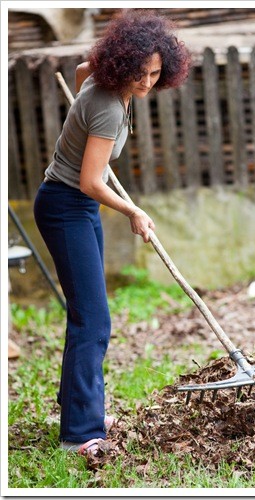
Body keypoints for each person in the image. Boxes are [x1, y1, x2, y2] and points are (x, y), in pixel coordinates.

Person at [33, 9, 191, 456]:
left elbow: (83, 69)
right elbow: (90, 182)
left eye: (155, 73)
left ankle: (77, 406)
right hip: (67, 205)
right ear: (122, 64)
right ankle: (80, 433)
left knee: (87, 313)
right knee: (93, 320)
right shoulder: (105, 105)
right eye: (139, 73)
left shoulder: (101, 82)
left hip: (73, 205)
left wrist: (85, 102)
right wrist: (133, 210)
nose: (145, 83)